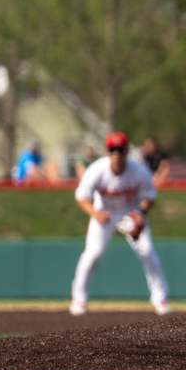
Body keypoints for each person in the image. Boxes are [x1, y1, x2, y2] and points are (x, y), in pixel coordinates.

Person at [69, 131, 170, 316]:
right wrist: (95, 213)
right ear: (108, 152)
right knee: (92, 254)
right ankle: (79, 299)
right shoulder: (97, 170)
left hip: (130, 213)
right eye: (112, 150)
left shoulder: (139, 170)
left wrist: (141, 213)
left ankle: (160, 298)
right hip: (104, 212)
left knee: (147, 251)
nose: (117, 154)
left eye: (120, 150)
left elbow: (150, 195)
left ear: (126, 152)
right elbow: (82, 197)